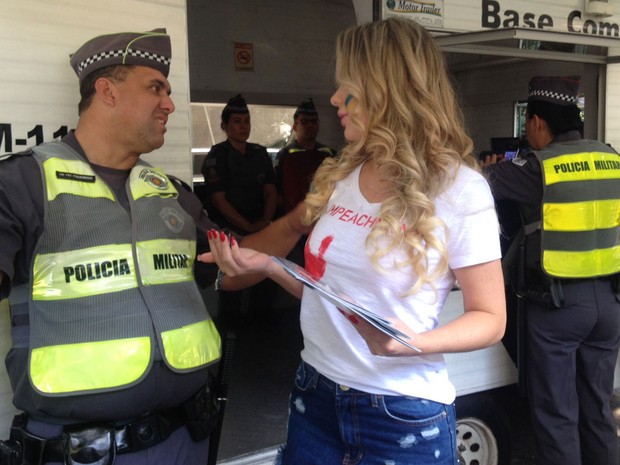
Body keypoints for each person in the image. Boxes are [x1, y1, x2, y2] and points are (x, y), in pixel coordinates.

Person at [202, 17, 506, 465]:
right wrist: (268, 265)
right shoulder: (340, 176)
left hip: (400, 413)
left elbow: (490, 318)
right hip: (315, 392)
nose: (333, 100)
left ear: (386, 91)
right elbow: (329, 298)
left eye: (347, 87)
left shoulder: (460, 189)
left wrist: (410, 342)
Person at [0, 28, 306, 465]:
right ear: (106, 91)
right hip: (84, 452)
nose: (169, 103)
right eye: (155, 88)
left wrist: (300, 218)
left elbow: (238, 266)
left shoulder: (170, 193)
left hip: (189, 438)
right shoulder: (23, 182)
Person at [483, 75, 620, 465]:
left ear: (539, 123)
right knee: (596, 408)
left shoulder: (537, 167)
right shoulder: (612, 158)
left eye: (528, 127)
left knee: (556, 414)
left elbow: (475, 183)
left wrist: (490, 167)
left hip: (558, 307)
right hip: (609, 305)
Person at [201, 94, 277, 235]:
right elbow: (218, 200)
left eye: (247, 121)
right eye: (237, 121)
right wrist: (248, 227)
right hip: (227, 228)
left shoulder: (260, 153)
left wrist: (265, 222)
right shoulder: (217, 155)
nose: (243, 126)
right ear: (224, 126)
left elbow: (270, 192)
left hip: (259, 224)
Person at [274, 98, 336, 215]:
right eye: (304, 122)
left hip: (322, 216)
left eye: (313, 122)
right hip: (292, 217)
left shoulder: (329, 154)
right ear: (295, 126)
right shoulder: (285, 155)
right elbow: (277, 192)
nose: (309, 126)